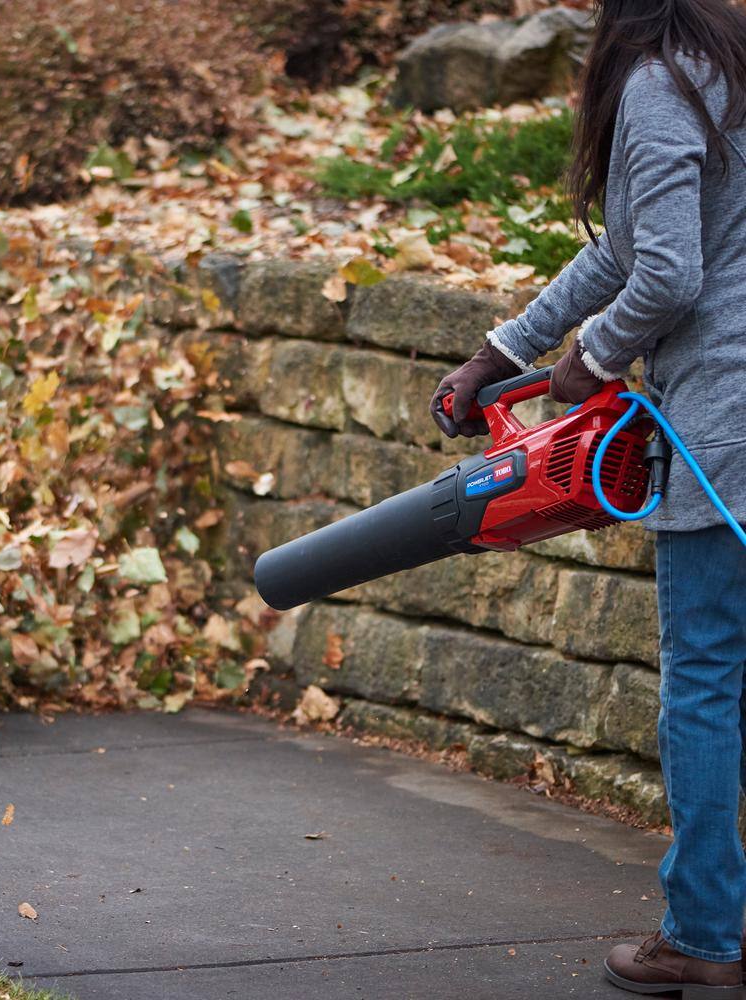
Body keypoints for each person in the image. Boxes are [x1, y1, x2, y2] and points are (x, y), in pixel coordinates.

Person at [431, 0, 746, 995]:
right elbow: (622, 249)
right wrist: (502, 351)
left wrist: (589, 361)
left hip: (730, 422)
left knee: (703, 682)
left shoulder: (660, 83)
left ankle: (702, 936)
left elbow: (664, 274)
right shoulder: (728, 68)